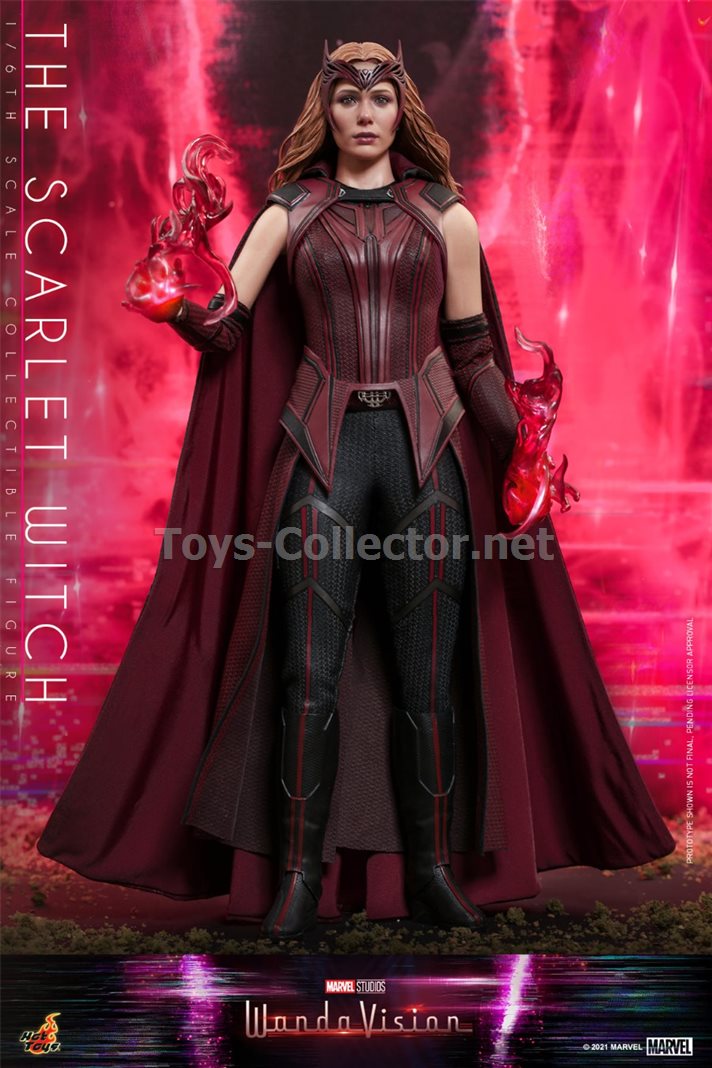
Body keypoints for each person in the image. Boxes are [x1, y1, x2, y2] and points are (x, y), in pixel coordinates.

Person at [38, 42, 674, 938]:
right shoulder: (288, 213)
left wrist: (522, 444)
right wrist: (175, 298)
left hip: (429, 459)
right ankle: (299, 879)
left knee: (428, 680)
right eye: (348, 99)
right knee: (307, 676)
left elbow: (472, 354)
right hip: (320, 452)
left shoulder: (446, 215)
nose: (365, 114)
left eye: (380, 98)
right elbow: (225, 331)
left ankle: (432, 875)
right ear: (327, 110)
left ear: (401, 109)